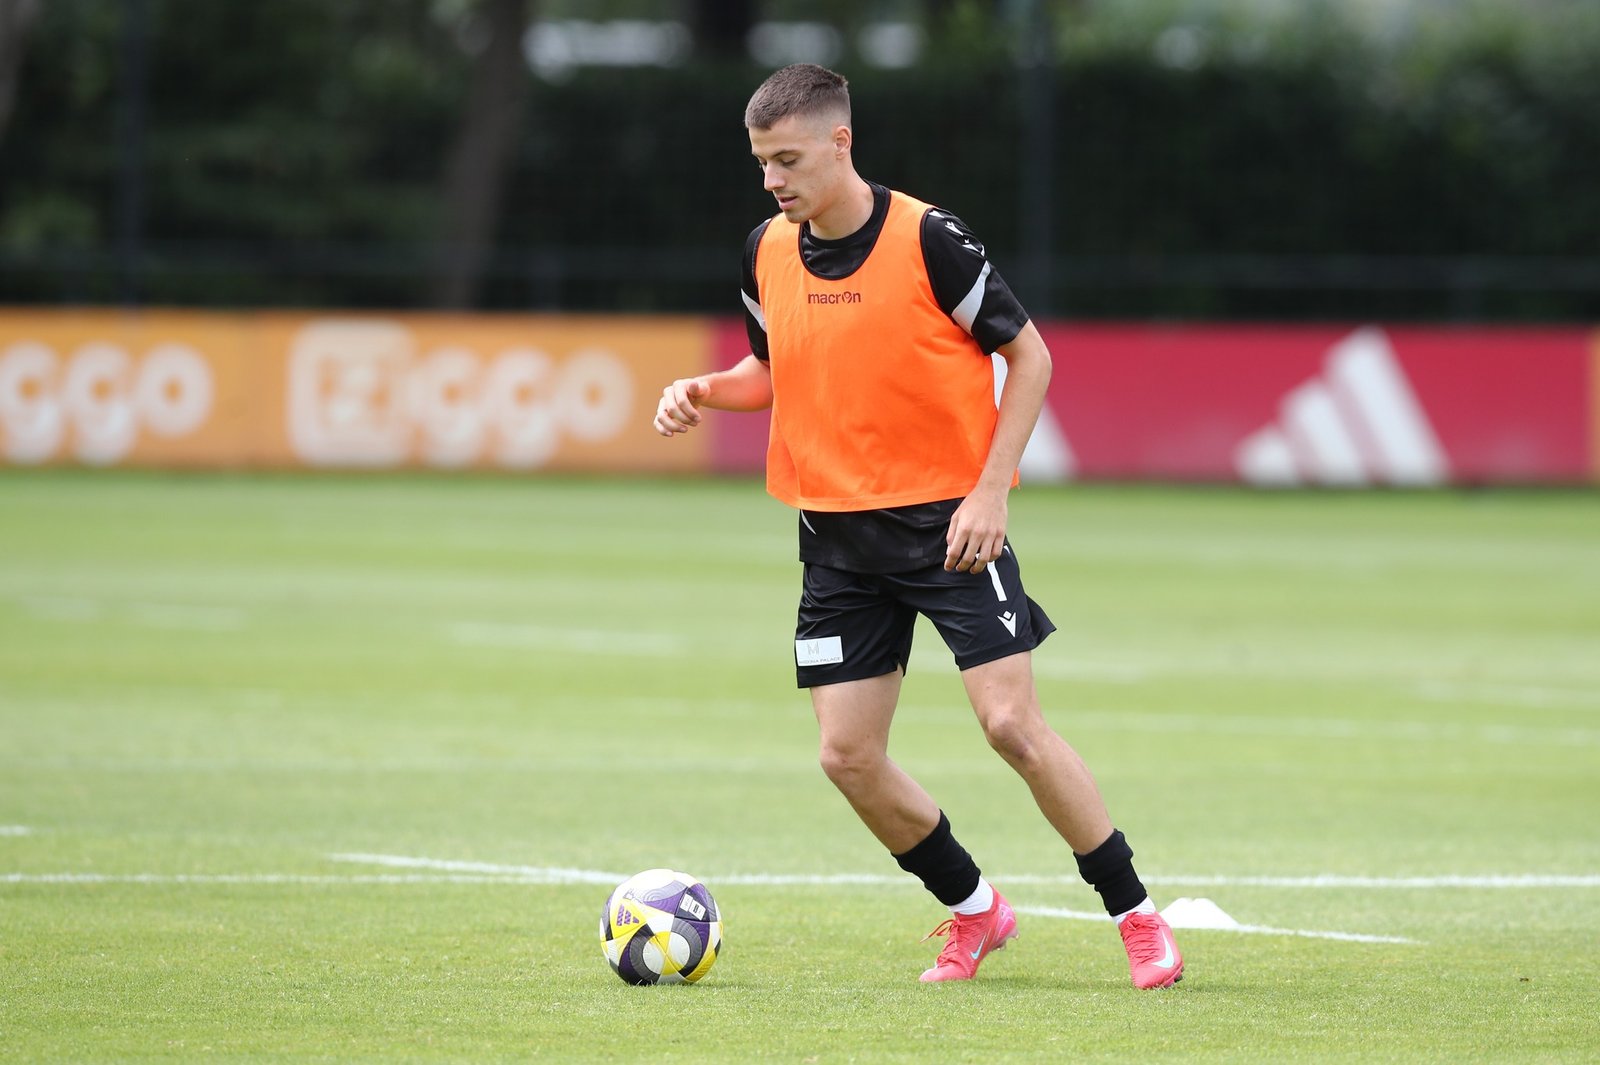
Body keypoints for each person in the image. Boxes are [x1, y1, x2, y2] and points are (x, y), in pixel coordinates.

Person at [653, 63, 1183, 989]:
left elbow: (1030, 356)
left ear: (840, 142)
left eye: (787, 160)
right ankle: (976, 911)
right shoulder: (765, 250)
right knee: (847, 755)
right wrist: (702, 389)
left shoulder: (928, 238)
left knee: (1011, 725)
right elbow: (768, 371)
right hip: (837, 538)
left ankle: (1136, 915)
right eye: (761, 163)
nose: (772, 180)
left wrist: (991, 492)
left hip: (951, 526)